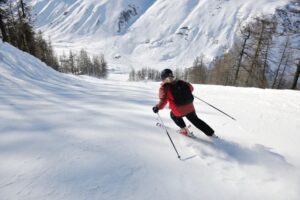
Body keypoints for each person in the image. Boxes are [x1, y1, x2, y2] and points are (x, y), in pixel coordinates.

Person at [152, 68, 215, 137]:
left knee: (173, 115)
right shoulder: (180, 81)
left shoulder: (164, 87)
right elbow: (191, 88)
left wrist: (157, 107)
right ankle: (211, 133)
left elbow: (163, 101)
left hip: (178, 110)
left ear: (163, 78)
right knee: (195, 120)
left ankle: (184, 130)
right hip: (190, 107)